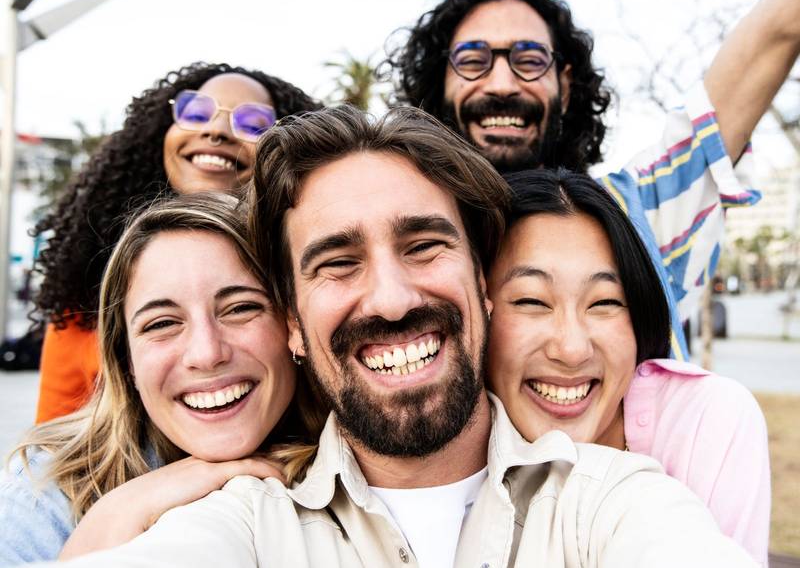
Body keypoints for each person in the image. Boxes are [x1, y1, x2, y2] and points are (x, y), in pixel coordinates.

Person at [34, 106, 757, 568]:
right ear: (290, 322)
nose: (390, 297)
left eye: (423, 246)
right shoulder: (244, 524)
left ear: (483, 284)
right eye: (337, 262)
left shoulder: (611, 501)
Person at [387, 0, 800, 360]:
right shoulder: (390, 246)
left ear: (564, 87)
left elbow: (778, 23)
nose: (501, 83)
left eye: (529, 60)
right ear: (439, 85)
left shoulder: (634, 220)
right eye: (473, 61)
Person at [0, 193, 324, 566]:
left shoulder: (368, 461)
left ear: (292, 324)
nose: (206, 353)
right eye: (163, 324)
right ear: (127, 362)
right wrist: (110, 522)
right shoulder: (42, 492)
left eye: (240, 308)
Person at [487, 169, 770, 565]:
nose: (571, 349)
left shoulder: (706, 419)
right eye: (532, 301)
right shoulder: (454, 435)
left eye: (604, 302)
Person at [31, 61, 321, 424]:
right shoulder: (83, 301)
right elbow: (49, 458)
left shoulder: (313, 277)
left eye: (251, 123)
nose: (217, 130)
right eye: (196, 113)